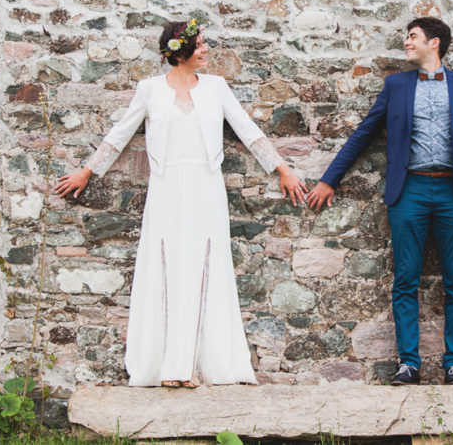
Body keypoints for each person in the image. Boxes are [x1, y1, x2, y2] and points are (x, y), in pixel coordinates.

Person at [54, 19, 307, 387]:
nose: (206, 50)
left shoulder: (217, 88)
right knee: (166, 268)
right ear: (180, 52)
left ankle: (202, 364)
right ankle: (170, 367)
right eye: (200, 45)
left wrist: (282, 169)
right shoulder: (150, 89)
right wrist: (86, 172)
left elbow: (248, 130)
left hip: (206, 187)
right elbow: (120, 133)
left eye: (204, 43)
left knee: (205, 265)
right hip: (166, 187)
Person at [306, 17, 453, 386]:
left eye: (412, 37)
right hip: (410, 190)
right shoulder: (396, 86)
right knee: (405, 279)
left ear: (435, 43)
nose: (406, 42)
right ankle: (408, 364)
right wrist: (329, 179)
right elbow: (364, 133)